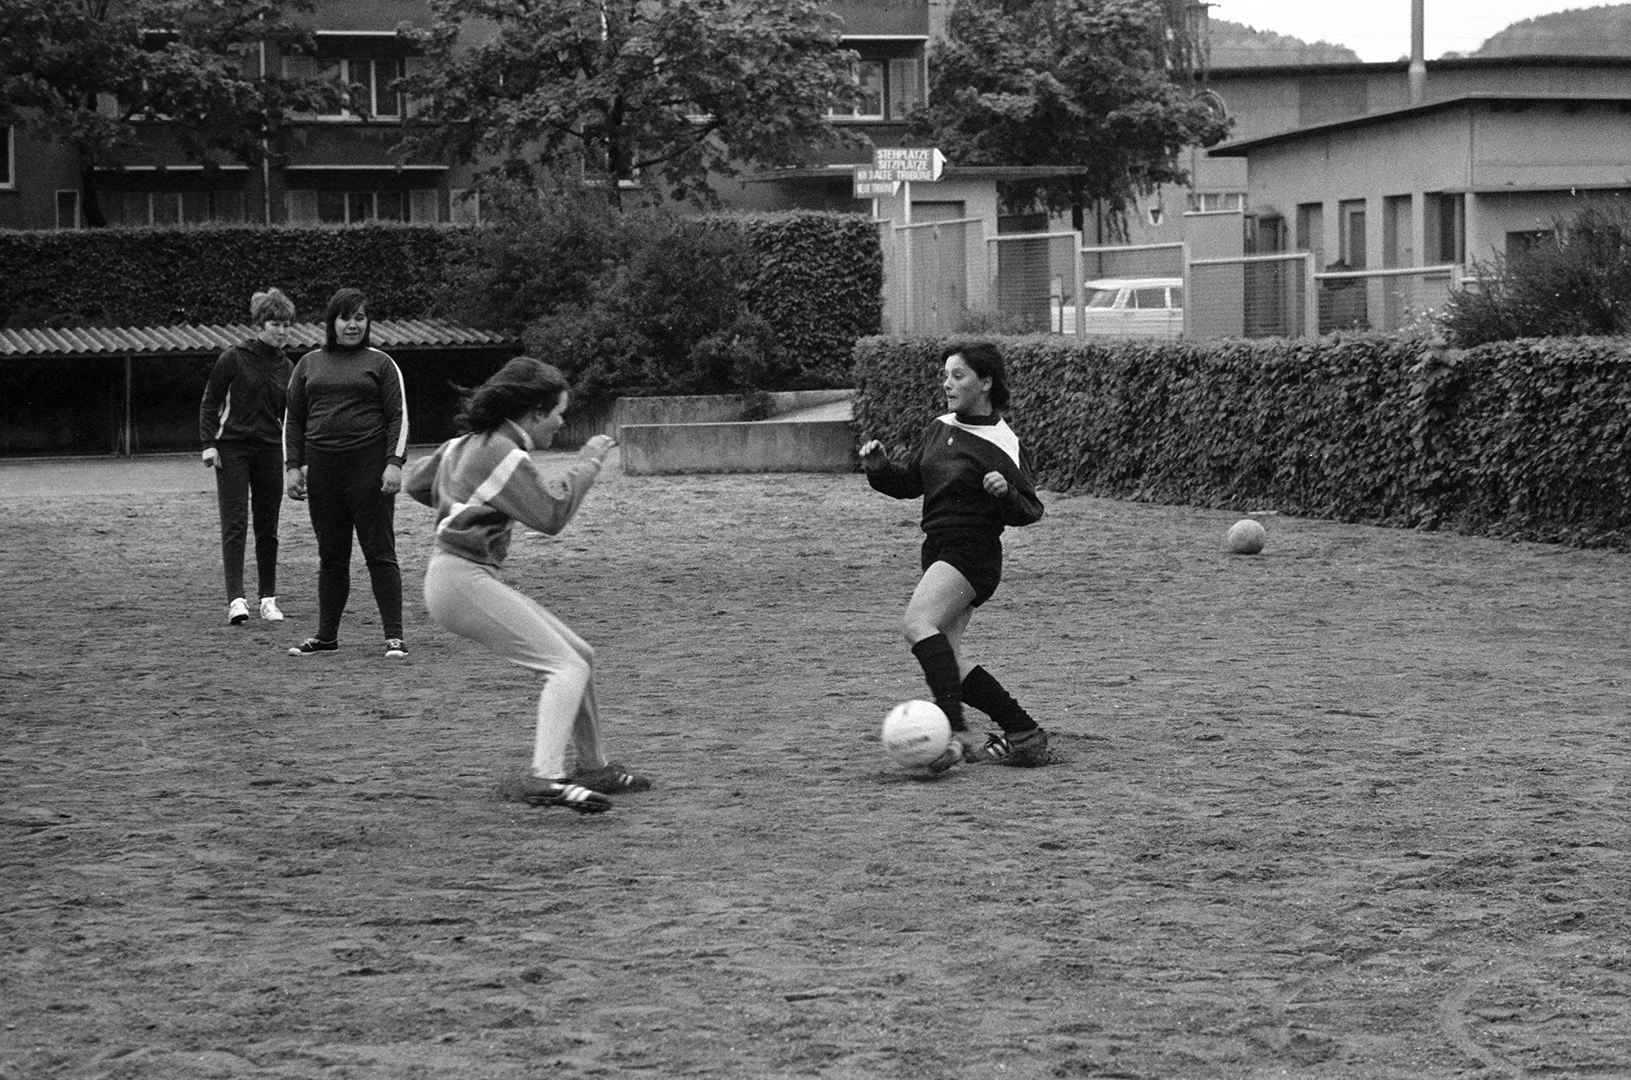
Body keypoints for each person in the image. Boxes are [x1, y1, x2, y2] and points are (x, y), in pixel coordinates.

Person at [403, 356, 646, 813]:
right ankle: (546, 776)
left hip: (455, 574)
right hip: (461, 578)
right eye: (557, 412)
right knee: (565, 668)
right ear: (533, 413)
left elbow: (417, 483)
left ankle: (594, 766)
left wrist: (460, 503)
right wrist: (588, 464)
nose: (561, 421)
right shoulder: (506, 453)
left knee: (580, 655)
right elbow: (551, 516)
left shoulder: (466, 443)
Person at [859, 340, 1052, 772]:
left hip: (973, 552)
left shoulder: (1003, 442)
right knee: (949, 655)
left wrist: (1004, 494)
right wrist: (880, 469)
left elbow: (1030, 509)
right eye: (946, 375)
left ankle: (950, 727)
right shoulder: (939, 427)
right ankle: (1023, 733)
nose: (947, 383)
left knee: (916, 624)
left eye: (958, 375)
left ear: (985, 383)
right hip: (939, 550)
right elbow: (911, 483)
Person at [283, 287, 410, 658]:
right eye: (345, 318)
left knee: (379, 552)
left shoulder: (382, 364)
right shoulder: (308, 364)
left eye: (359, 318)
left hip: (370, 471)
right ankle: (326, 636)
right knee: (331, 555)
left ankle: (394, 636)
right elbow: (294, 420)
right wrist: (293, 467)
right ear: (332, 322)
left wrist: (394, 462)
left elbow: (398, 416)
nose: (352, 325)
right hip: (323, 473)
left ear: (367, 323)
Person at [199, 287, 296, 626]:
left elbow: (294, 418)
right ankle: (236, 600)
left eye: (286, 324)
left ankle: (267, 599)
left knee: (268, 526)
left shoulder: (289, 367)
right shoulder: (233, 357)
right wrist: (208, 443)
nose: (281, 331)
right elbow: (211, 401)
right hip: (232, 450)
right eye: (275, 323)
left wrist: (295, 460)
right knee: (235, 523)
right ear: (259, 323)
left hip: (270, 450)